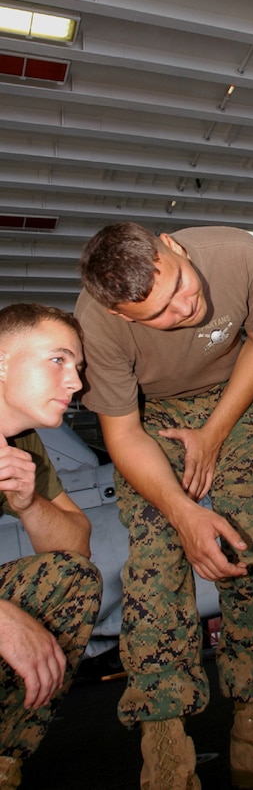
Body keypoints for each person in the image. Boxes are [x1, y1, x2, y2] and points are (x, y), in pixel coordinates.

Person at [75, 224, 253, 790]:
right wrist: (183, 512)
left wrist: (215, 433)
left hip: (233, 398)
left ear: (172, 246)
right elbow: (121, 434)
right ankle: (166, 750)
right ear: (124, 317)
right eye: (162, 312)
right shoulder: (98, 322)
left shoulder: (238, 254)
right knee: (155, 568)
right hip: (151, 419)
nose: (187, 307)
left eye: (181, 285)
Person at [0, 303, 102, 789]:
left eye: (78, 368)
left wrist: (27, 502)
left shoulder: (22, 443)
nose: (76, 383)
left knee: (69, 580)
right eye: (58, 360)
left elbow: (76, 547)